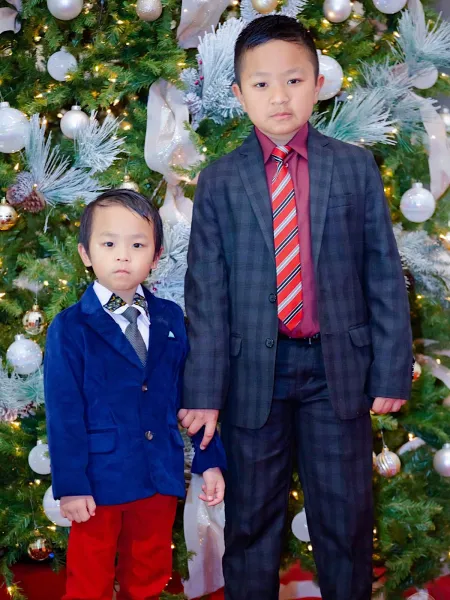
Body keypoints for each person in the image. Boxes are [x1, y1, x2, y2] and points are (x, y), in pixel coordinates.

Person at [179, 15, 412, 600]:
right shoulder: (219, 181)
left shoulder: (354, 168)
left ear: (317, 83)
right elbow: (206, 294)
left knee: (345, 518)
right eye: (261, 84)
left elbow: (383, 274)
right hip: (253, 375)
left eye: (293, 80)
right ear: (239, 94)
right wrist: (205, 392)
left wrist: (390, 370)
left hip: (338, 372)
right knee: (251, 521)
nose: (278, 97)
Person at [44, 190, 226, 600]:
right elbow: (64, 413)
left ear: (156, 256)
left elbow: (192, 398)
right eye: (109, 244)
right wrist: (71, 485)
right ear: (86, 253)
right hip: (97, 481)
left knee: (149, 573)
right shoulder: (69, 327)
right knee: (89, 578)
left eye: (138, 245)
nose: (123, 256)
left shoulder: (170, 318)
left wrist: (209, 460)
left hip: (158, 475)